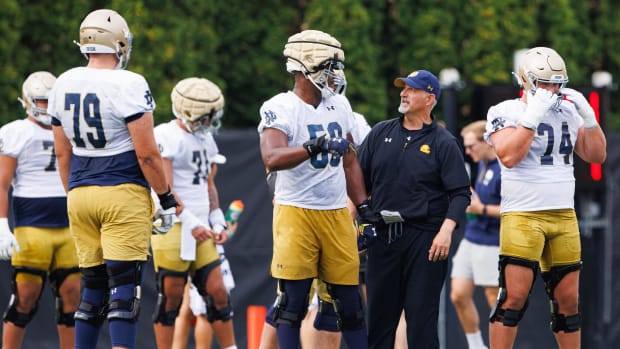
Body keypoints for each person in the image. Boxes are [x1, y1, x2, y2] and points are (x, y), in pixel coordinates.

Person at [48, 9, 180, 349]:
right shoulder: (129, 83)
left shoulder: (62, 81)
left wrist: (73, 192)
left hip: (79, 191)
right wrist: (165, 197)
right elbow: (147, 154)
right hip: (121, 191)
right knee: (124, 290)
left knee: (91, 289)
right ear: (118, 43)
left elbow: (62, 153)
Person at [258, 29, 374, 349]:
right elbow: (271, 156)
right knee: (291, 304)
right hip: (296, 211)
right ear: (307, 64)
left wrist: (363, 207)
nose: (336, 73)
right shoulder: (281, 106)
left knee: (350, 306)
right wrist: (314, 146)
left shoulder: (340, 105)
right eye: (330, 65)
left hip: (336, 212)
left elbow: (350, 161)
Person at [485, 47, 606, 349]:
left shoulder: (567, 110)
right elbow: (509, 156)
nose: (552, 90)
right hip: (523, 215)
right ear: (526, 80)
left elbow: (597, 155)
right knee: (513, 298)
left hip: (563, 214)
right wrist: (532, 116)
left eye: (557, 83)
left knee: (569, 302)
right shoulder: (505, 110)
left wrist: (589, 119)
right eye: (545, 83)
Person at [357, 69, 471, 348]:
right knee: (379, 323)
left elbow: (460, 194)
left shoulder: (443, 142)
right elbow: (357, 182)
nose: (403, 93)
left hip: (426, 240)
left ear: (430, 98)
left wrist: (445, 232)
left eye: (412, 89)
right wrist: (354, 222)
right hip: (383, 237)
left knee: (421, 324)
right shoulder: (380, 132)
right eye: (403, 88)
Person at [150, 77, 236, 349]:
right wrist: (189, 221)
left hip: (202, 229)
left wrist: (217, 218)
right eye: (206, 116)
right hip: (173, 227)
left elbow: (208, 185)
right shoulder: (166, 135)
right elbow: (165, 188)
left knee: (218, 294)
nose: (210, 122)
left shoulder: (205, 138)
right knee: (171, 300)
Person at [0, 71, 81, 349]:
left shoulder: (70, 130)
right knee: (25, 299)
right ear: (28, 101)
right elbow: (1, 184)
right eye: (41, 101)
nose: (46, 107)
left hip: (70, 227)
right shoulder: (15, 132)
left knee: (74, 298)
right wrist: (1, 226)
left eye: (50, 100)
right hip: (32, 228)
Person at [171, 155, 239, 349]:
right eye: (213, 163)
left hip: (192, 244)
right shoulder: (195, 187)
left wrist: (225, 230)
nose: (214, 168)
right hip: (198, 247)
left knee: (187, 307)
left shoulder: (199, 186)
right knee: (203, 309)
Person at [449, 120, 501, 349]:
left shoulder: (504, 168)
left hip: (493, 243)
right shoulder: (482, 164)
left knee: (494, 300)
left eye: (471, 147)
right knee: (458, 295)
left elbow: (515, 210)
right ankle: (477, 346)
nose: (468, 152)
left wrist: (481, 209)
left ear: (487, 141)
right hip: (472, 238)